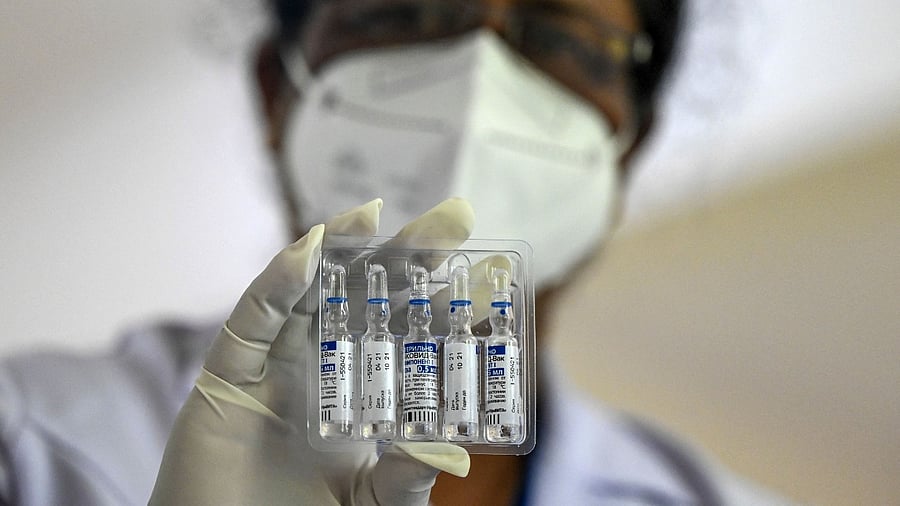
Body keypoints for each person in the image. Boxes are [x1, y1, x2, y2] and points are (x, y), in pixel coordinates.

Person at [0, 0, 788, 504]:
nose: (474, 92)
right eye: (401, 14)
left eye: (561, 38)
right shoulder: (29, 446)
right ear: (279, 92)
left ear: (626, 149)